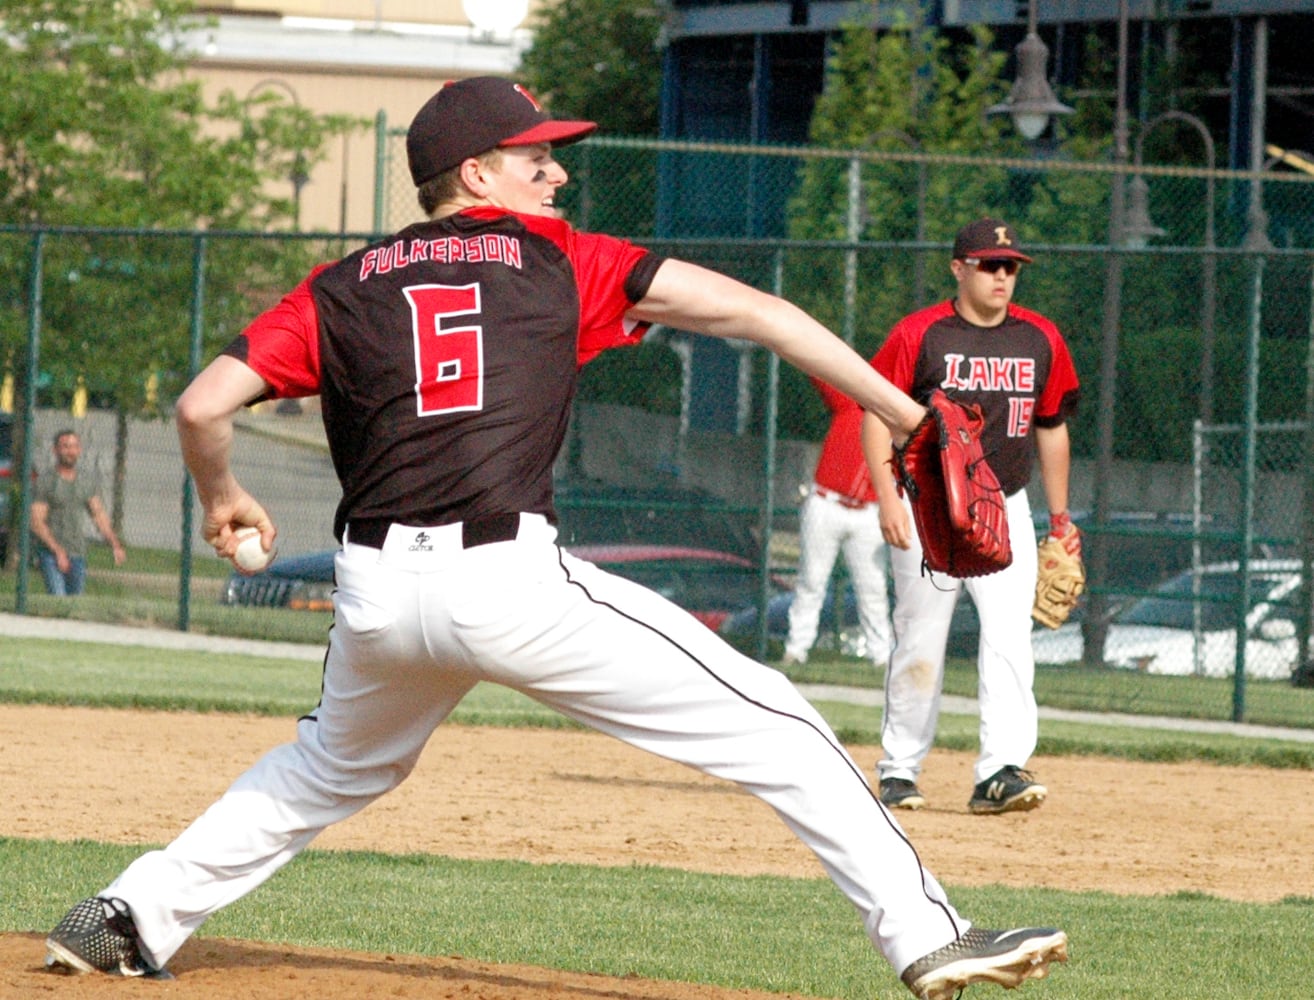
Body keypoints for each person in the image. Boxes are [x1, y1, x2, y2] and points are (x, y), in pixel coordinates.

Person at [44, 80, 1067, 999]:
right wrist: (912, 414)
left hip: (375, 594)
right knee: (779, 726)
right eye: (537, 157)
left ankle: (124, 916)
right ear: (477, 172)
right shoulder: (562, 259)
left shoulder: (342, 283)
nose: (559, 170)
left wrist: (222, 494)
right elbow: (760, 316)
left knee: (323, 766)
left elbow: (202, 403)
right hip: (510, 582)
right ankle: (928, 939)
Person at [864, 218, 1080, 816]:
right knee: (921, 639)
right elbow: (876, 414)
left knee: (1010, 640)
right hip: (928, 504)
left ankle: (1000, 772)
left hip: (1003, 503)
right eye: (989, 265)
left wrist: (1060, 519)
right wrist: (887, 497)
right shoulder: (921, 333)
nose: (1001, 276)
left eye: (1009, 266)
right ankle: (899, 769)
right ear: (958, 268)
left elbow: (1052, 427)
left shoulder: (1040, 337)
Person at [782, 377, 893, 667]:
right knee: (811, 581)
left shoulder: (902, 426)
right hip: (826, 502)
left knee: (873, 588)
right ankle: (796, 649)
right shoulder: (852, 403)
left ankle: (881, 657)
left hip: (868, 512)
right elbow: (823, 372)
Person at [30, 429, 127, 595]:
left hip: (77, 554)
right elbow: (36, 522)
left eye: (74, 446)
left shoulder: (85, 481)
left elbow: (98, 515)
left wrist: (114, 543)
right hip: (50, 554)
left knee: (74, 605)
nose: (70, 451)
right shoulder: (46, 482)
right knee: (58, 600)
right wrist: (58, 551)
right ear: (55, 450)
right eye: (65, 446)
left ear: (79, 450)